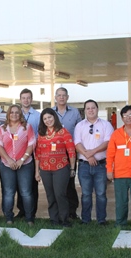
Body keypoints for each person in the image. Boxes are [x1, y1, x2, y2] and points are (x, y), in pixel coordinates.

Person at [106, 105, 131, 230]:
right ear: (122, 118)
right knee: (121, 202)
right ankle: (120, 224)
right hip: (120, 174)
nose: (128, 118)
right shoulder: (116, 134)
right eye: (125, 116)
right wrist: (109, 170)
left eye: (130, 115)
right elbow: (110, 154)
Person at [74, 99, 114, 225]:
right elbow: (77, 143)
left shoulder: (106, 125)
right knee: (86, 194)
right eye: (88, 108)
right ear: (85, 110)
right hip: (84, 165)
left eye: (93, 108)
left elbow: (108, 142)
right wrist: (87, 154)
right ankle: (85, 220)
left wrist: (93, 152)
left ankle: (101, 220)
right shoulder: (79, 125)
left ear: (97, 109)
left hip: (101, 165)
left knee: (101, 194)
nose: (91, 110)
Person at [35, 108, 76, 227]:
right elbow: (38, 154)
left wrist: (72, 168)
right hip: (45, 169)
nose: (48, 120)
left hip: (61, 168)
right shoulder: (41, 134)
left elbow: (71, 150)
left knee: (60, 194)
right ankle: (53, 219)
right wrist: (37, 171)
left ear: (54, 117)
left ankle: (64, 219)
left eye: (50, 117)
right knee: (50, 195)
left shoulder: (63, 132)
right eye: (45, 119)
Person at [0, 104, 36, 225]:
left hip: (25, 164)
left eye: (17, 112)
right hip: (7, 165)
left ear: (20, 114)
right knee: (8, 192)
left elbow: (32, 144)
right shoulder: (2, 129)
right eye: (12, 112)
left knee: (26, 192)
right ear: (8, 114)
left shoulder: (27, 127)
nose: (14, 114)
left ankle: (29, 218)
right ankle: (9, 218)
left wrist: (22, 160)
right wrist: (9, 160)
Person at [53, 87, 82, 220]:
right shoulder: (50, 113)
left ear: (67, 97)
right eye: (59, 95)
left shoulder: (75, 112)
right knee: (57, 184)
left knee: (70, 182)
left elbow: (80, 131)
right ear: (55, 97)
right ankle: (59, 211)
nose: (61, 97)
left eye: (64, 95)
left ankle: (72, 210)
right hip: (54, 153)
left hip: (70, 153)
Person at [16, 88, 40, 219]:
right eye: (24, 98)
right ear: (20, 100)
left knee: (31, 184)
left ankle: (32, 211)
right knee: (20, 184)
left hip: (32, 153)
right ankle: (21, 211)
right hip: (17, 154)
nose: (26, 100)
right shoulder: (15, 115)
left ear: (31, 99)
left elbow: (40, 134)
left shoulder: (37, 115)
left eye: (28, 97)